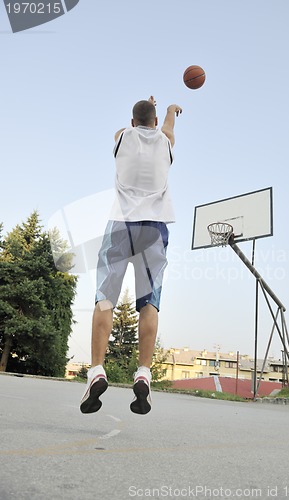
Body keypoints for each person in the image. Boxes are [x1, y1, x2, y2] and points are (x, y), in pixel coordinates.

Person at [80, 96, 182, 415]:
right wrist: (168, 110)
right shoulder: (165, 141)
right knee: (149, 302)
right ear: (154, 122)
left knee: (104, 298)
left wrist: (141, 116)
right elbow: (167, 128)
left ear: (133, 121)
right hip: (155, 227)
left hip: (121, 224)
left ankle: (97, 369)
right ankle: (143, 373)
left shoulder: (122, 137)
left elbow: (130, 127)